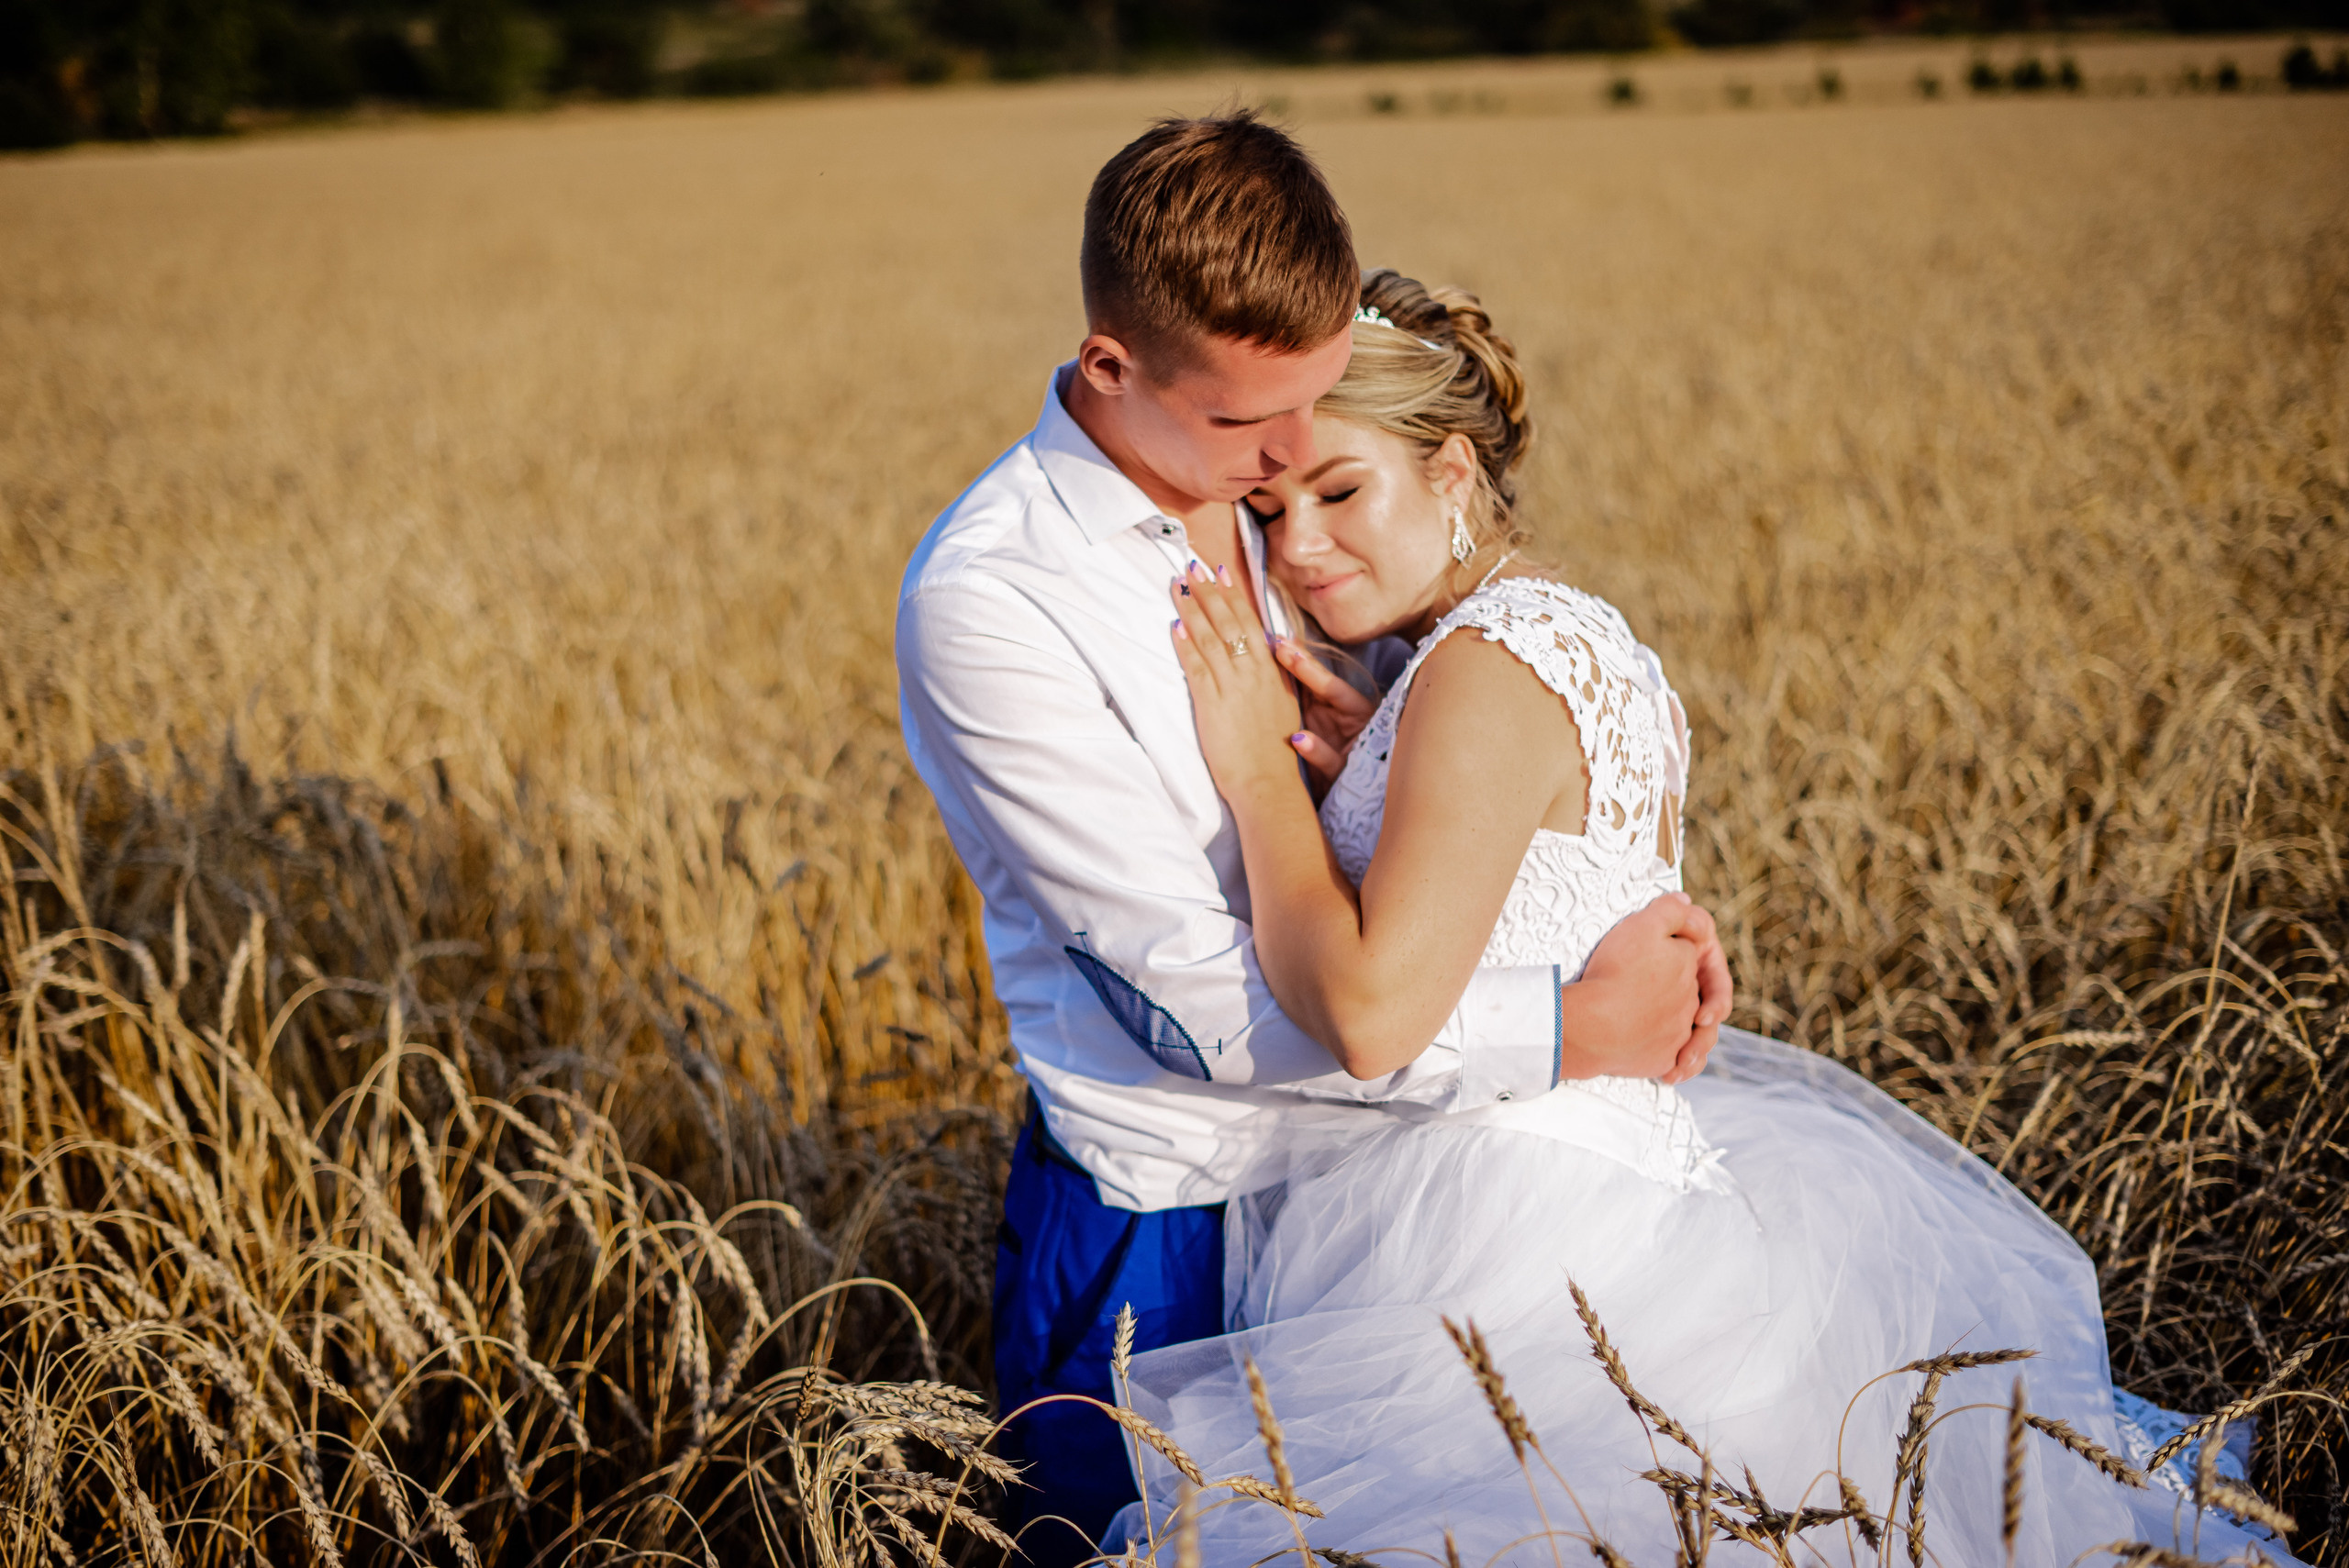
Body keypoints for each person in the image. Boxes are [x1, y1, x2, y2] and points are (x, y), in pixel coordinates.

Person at [1116, 268, 2304, 1566]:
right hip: (1607, 1187)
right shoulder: (1570, 639)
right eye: (1269, 505)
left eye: (1341, 492)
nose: (1296, 547)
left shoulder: (1480, 670)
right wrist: (1370, 789)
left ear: (1452, 474)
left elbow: (1364, 1007)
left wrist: (1255, 773)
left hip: (1504, 1228)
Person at [894, 114, 1732, 1563]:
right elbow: (1193, 1012)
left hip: (1410, 1216)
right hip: (1169, 1224)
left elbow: (1481, 796)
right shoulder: (997, 600)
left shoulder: (1293, 499)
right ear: (1111, 367)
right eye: (1246, 436)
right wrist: (1570, 1029)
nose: (1286, 481)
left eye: (1317, 417)